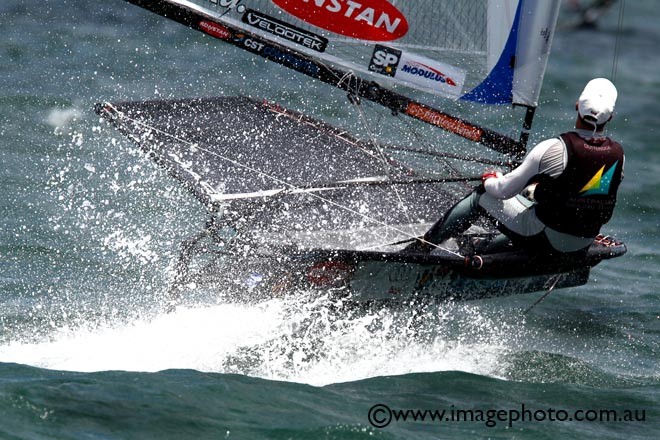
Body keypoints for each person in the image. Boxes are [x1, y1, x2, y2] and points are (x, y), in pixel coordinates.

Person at [411, 77, 624, 256]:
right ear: (611, 118)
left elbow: (504, 191)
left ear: (577, 106)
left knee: (483, 196)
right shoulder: (619, 156)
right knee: (528, 202)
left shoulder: (554, 148)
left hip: (548, 241)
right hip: (581, 244)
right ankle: (482, 250)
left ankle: (421, 248)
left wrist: (491, 180)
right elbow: (580, 192)